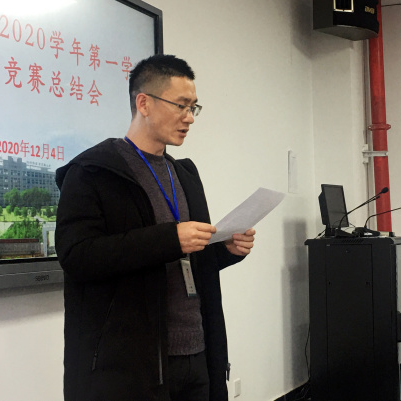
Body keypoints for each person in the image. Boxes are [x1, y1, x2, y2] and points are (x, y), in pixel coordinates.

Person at [55, 54, 256, 401]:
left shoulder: (184, 174)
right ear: (144, 103)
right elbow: (77, 256)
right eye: (181, 105)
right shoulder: (92, 172)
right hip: (132, 367)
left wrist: (225, 250)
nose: (189, 117)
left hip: (197, 353)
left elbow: (189, 262)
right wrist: (169, 239)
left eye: (193, 107)